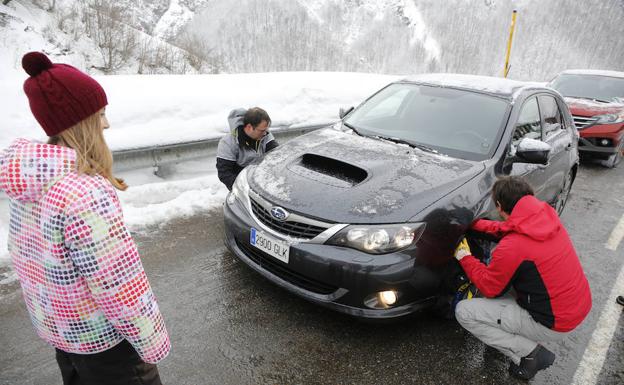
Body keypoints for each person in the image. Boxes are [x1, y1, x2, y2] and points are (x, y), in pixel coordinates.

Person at [0, 52, 170, 385]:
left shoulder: (30, 180)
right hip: (108, 346)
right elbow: (119, 284)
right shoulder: (84, 192)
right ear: (82, 120)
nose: (106, 123)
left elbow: (26, 257)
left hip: (65, 336)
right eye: (101, 114)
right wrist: (151, 343)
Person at [453, 176, 591, 380]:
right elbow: (508, 228)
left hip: (554, 322)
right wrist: (472, 225)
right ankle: (515, 331)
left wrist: (465, 257)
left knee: (464, 311)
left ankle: (531, 354)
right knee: (506, 283)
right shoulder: (545, 215)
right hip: (575, 306)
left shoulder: (513, 247)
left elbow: (489, 287)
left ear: (499, 206)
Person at [216, 107, 278, 190]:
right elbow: (224, 173)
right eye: (262, 130)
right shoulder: (227, 143)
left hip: (264, 181)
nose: (265, 133)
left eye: (266, 129)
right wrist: (245, 188)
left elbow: (277, 156)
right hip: (240, 186)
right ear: (249, 127)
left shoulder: (265, 134)